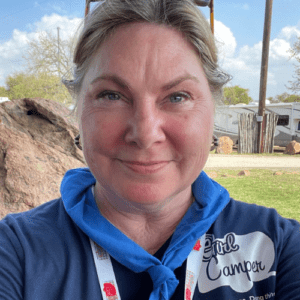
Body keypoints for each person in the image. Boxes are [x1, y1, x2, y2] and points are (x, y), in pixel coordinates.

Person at [0, 0, 299, 299]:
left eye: (178, 97)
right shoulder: (15, 252)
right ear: (78, 111)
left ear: (213, 111)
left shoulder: (281, 247)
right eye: (112, 95)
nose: (145, 134)